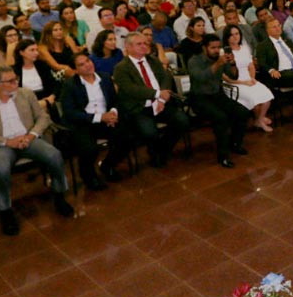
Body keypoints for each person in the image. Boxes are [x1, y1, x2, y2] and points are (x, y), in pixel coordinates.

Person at [0, 66, 74, 236]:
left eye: (15, 79)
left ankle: (59, 195)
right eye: (10, 81)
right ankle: (5, 211)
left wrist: (31, 135)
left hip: (28, 139)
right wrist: (6, 141)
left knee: (54, 155)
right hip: (2, 144)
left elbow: (42, 117)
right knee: (0, 169)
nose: (15, 83)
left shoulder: (26, 94)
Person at [112, 33, 190, 168]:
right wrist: (157, 94)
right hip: (140, 107)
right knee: (149, 132)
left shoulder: (152, 60)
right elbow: (131, 89)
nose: (144, 46)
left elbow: (166, 77)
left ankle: (163, 150)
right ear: (128, 47)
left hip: (160, 103)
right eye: (139, 44)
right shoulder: (121, 67)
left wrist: (162, 99)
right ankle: (155, 152)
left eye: (145, 43)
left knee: (182, 121)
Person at [61, 51, 131, 190]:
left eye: (88, 61)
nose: (87, 65)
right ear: (75, 70)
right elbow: (70, 112)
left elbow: (115, 100)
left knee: (127, 137)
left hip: (106, 119)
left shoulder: (104, 78)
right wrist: (99, 117)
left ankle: (107, 165)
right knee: (89, 149)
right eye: (81, 65)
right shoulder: (70, 85)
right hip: (83, 123)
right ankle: (88, 176)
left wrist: (113, 113)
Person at [187, 34, 250, 168]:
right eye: (213, 48)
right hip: (200, 98)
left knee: (242, 111)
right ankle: (223, 155)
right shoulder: (194, 61)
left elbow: (232, 75)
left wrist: (232, 63)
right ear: (205, 48)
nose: (216, 50)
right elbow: (201, 77)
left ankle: (235, 144)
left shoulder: (220, 59)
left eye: (218, 47)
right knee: (220, 118)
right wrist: (217, 64)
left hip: (218, 94)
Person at [222, 24, 275, 132]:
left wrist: (253, 78)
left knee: (267, 95)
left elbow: (251, 67)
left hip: (248, 79)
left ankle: (259, 119)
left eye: (237, 34)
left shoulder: (245, 48)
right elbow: (225, 76)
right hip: (234, 83)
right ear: (227, 37)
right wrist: (243, 82)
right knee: (253, 98)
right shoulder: (224, 52)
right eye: (231, 35)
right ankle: (260, 120)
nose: (235, 37)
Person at [14, 39, 58, 110]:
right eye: (32, 50)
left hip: (45, 100)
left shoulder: (42, 65)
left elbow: (54, 84)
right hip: (25, 103)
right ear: (21, 52)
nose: (36, 53)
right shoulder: (14, 70)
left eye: (36, 50)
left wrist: (52, 97)